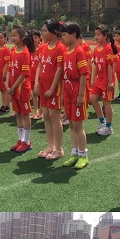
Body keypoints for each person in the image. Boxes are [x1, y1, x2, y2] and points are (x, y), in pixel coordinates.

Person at [34, 19, 66, 160]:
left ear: (54, 32)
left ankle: (59, 149)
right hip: (43, 87)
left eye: (45, 30)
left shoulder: (60, 48)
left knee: (54, 117)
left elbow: (59, 69)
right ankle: (50, 146)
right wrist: (36, 82)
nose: (43, 33)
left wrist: (53, 88)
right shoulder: (43, 47)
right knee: (46, 116)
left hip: (54, 88)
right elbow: (40, 66)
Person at [60, 21, 90, 170]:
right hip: (68, 91)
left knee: (78, 125)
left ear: (73, 35)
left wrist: (81, 95)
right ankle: (74, 153)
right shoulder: (66, 51)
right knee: (71, 123)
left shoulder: (79, 51)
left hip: (77, 90)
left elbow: (84, 74)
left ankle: (83, 155)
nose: (63, 37)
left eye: (64, 34)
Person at [6, 25, 34, 153]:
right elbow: (10, 69)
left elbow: (24, 74)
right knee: (18, 113)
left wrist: (13, 86)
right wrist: (7, 84)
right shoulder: (13, 51)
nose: (12, 37)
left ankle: (27, 141)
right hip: (13, 87)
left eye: (15, 35)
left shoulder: (25, 52)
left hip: (22, 88)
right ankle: (20, 139)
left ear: (22, 37)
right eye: (11, 35)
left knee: (25, 113)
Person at [90, 25, 117, 136]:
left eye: (98, 35)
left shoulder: (108, 48)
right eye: (95, 34)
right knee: (92, 99)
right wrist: (93, 79)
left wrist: (110, 81)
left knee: (106, 103)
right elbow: (95, 65)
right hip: (99, 80)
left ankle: (109, 127)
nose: (96, 37)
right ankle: (102, 122)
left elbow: (110, 66)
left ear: (105, 36)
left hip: (107, 80)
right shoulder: (96, 49)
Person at [0, 32, 11, 114]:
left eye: (1, 38)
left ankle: (7, 106)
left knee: (5, 89)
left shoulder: (6, 49)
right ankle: (3, 105)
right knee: (1, 90)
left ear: (5, 38)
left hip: (3, 74)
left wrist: (4, 74)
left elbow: (7, 63)